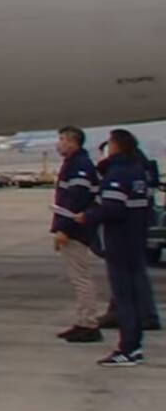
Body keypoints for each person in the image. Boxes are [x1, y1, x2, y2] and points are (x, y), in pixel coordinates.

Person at [74, 130, 154, 366]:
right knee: (134, 296)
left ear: (116, 146)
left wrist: (88, 217)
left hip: (120, 242)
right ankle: (134, 345)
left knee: (124, 297)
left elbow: (114, 209)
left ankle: (128, 349)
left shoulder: (117, 173)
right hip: (136, 240)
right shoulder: (139, 172)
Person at [49, 126, 103, 342]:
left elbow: (75, 201)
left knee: (80, 277)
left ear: (73, 142)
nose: (58, 143)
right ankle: (83, 321)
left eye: (62, 139)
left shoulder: (78, 165)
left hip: (75, 229)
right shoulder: (75, 163)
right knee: (78, 277)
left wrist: (63, 229)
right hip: (74, 227)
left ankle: (88, 323)